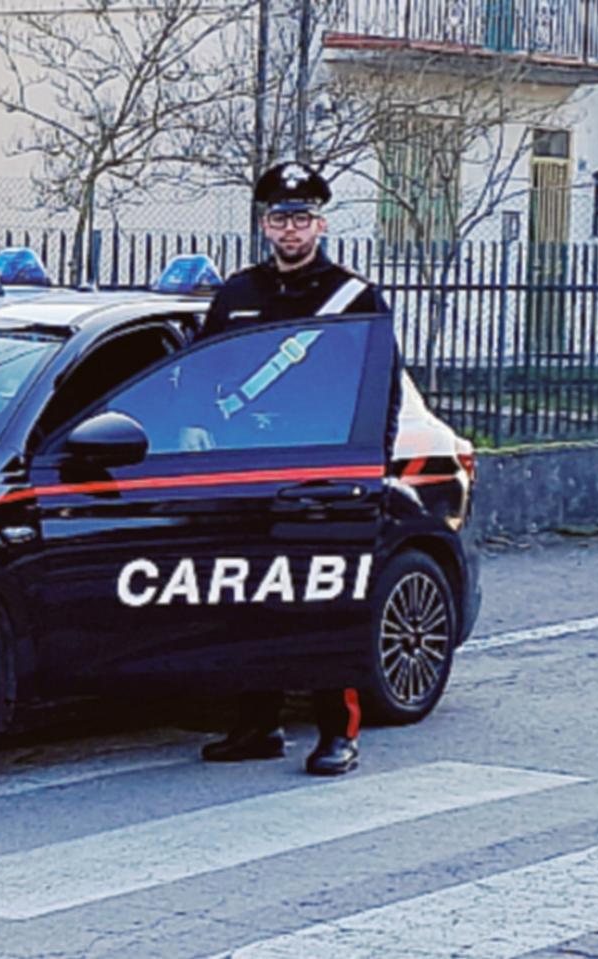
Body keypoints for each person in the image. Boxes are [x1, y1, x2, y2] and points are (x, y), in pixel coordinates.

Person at [197, 161, 395, 777]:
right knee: (250, 598)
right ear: (264, 224)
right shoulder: (237, 295)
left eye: (302, 218)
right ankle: (258, 724)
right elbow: (203, 379)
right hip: (247, 472)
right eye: (281, 218)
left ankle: (338, 733)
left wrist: (368, 472)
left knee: (325, 604)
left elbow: (379, 391)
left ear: (321, 224)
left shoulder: (354, 298)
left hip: (322, 475)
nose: (291, 229)